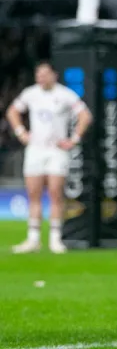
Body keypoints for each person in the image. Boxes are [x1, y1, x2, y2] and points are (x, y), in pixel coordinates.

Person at [6, 62, 92, 254]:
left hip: (56, 151)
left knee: (55, 193)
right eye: (38, 74)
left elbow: (85, 115)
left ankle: (55, 239)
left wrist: (74, 139)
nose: (41, 78)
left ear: (54, 74)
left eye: (45, 74)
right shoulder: (31, 93)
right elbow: (12, 112)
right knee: (34, 195)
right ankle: (33, 239)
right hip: (36, 150)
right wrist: (21, 133)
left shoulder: (65, 94)